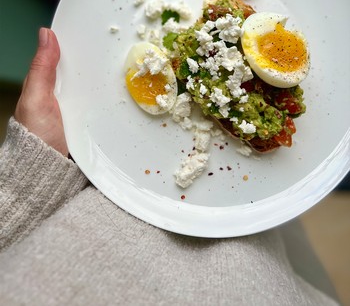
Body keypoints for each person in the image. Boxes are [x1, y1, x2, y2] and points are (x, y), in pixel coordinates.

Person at [0, 28, 340, 305]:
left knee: (279, 223)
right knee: (281, 234)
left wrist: (25, 181)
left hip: (265, 271)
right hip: (267, 279)